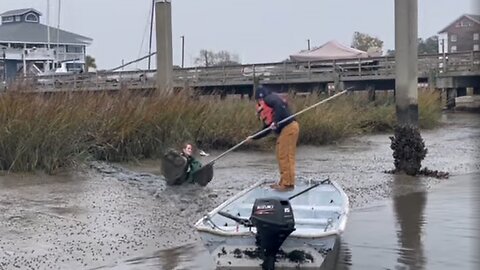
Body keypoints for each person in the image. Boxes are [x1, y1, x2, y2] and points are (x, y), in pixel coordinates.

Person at [247, 87, 300, 191]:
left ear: (260, 98)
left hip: (289, 127)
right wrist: (253, 137)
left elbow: (278, 105)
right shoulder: (269, 106)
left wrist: (275, 122)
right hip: (286, 129)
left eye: (258, 100)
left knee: (285, 155)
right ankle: (284, 181)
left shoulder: (270, 99)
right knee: (281, 154)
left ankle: (288, 184)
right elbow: (266, 129)